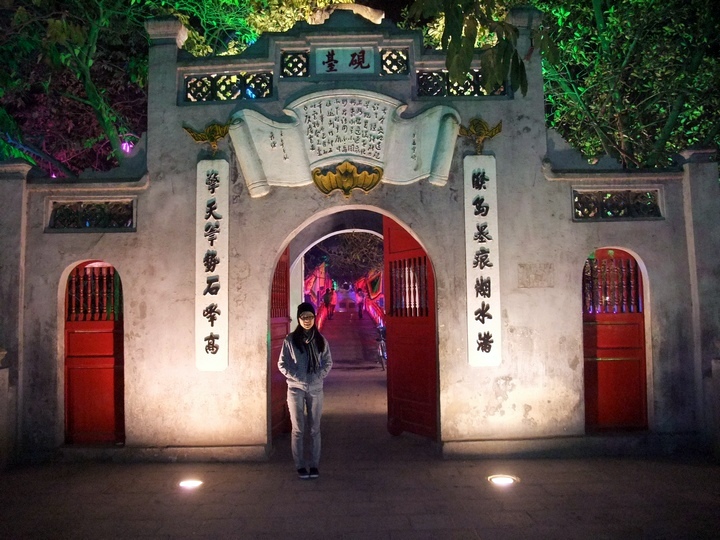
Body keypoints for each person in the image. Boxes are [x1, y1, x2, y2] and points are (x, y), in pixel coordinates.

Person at [278, 302, 333, 479]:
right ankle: (300, 465)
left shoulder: (320, 340)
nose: (307, 320)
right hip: (295, 388)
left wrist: (318, 376)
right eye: (303, 317)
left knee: (315, 428)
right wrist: (297, 376)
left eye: (310, 316)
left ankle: (314, 465)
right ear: (298, 319)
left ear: (314, 318)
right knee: (298, 429)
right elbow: (282, 364)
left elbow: (328, 362)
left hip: (316, 388)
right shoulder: (290, 340)